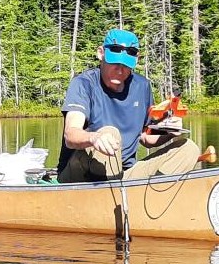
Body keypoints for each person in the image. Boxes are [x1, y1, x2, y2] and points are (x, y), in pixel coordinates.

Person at [57, 28, 200, 183]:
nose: (120, 70)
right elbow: (70, 135)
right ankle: (111, 197)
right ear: (101, 53)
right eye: (114, 63)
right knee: (110, 133)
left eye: (126, 65)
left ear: (136, 60)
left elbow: (146, 137)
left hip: (124, 175)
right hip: (81, 175)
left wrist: (170, 131)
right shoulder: (84, 84)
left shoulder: (142, 86)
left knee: (189, 149)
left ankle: (151, 196)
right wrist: (94, 138)